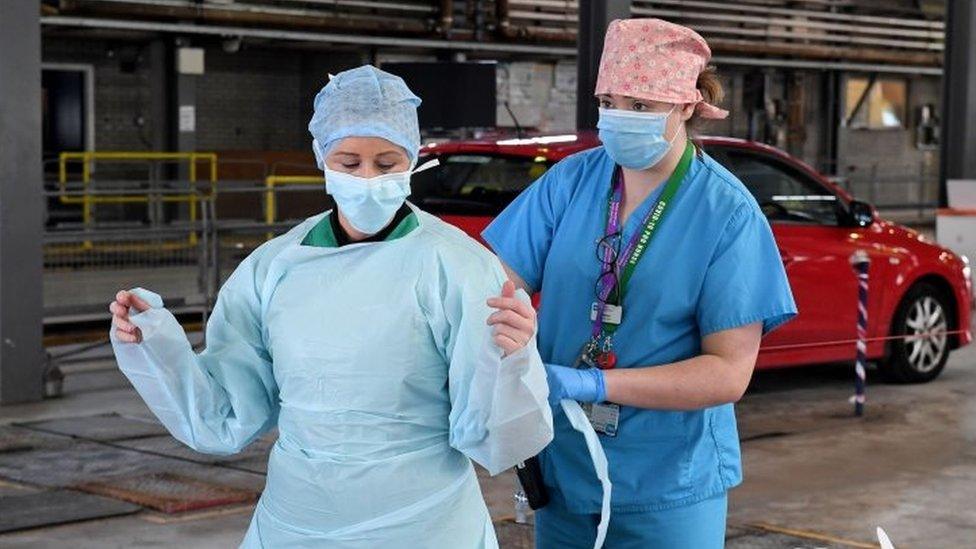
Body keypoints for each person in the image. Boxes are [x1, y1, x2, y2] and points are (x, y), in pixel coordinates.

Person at [109, 65, 553, 548]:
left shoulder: (457, 265)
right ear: (321, 157)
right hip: (299, 520)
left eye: (386, 164)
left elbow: (495, 439)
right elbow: (224, 416)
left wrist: (514, 361)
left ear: (413, 159)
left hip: (424, 522)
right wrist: (154, 346)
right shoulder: (273, 269)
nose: (367, 178)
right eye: (349, 162)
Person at [483, 18, 798, 548]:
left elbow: (727, 374)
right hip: (565, 467)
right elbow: (493, 287)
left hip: (670, 480)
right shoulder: (572, 180)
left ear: (687, 106)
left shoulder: (727, 214)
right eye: (608, 102)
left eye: (641, 107)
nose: (617, 119)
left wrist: (593, 384)